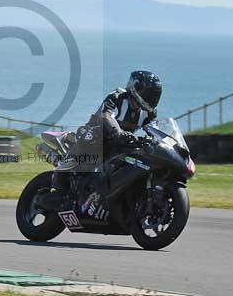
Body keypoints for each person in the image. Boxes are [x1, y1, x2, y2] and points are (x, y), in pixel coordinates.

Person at [44, 71, 163, 205]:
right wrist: (118, 132)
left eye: (155, 94)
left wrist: (160, 143)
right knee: (92, 136)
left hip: (120, 143)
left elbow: (154, 130)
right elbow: (106, 115)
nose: (153, 98)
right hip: (96, 133)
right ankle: (59, 183)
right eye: (150, 93)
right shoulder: (117, 96)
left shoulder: (149, 113)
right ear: (136, 87)